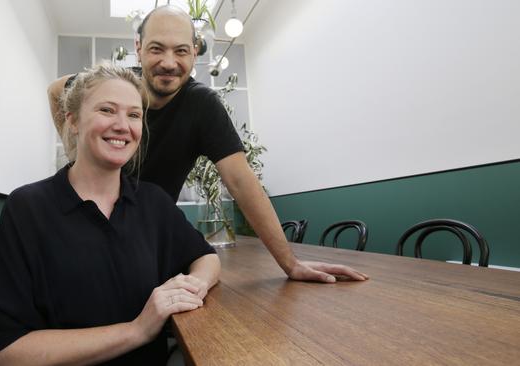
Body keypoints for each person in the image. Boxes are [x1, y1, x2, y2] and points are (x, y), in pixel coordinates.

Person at [48, 5, 368, 283]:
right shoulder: (115, 87)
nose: (169, 62)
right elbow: (57, 90)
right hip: (82, 222)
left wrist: (290, 263)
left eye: (182, 51)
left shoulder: (201, 105)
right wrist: (76, 153)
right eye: (157, 48)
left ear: (195, 52)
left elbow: (241, 181)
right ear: (139, 47)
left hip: (147, 234)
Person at [0, 65, 221, 365]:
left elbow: (206, 257)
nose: (123, 125)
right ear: (73, 120)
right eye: (107, 110)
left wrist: (193, 285)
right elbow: (5, 354)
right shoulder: (28, 208)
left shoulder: (153, 202)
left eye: (134, 115)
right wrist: (137, 330)